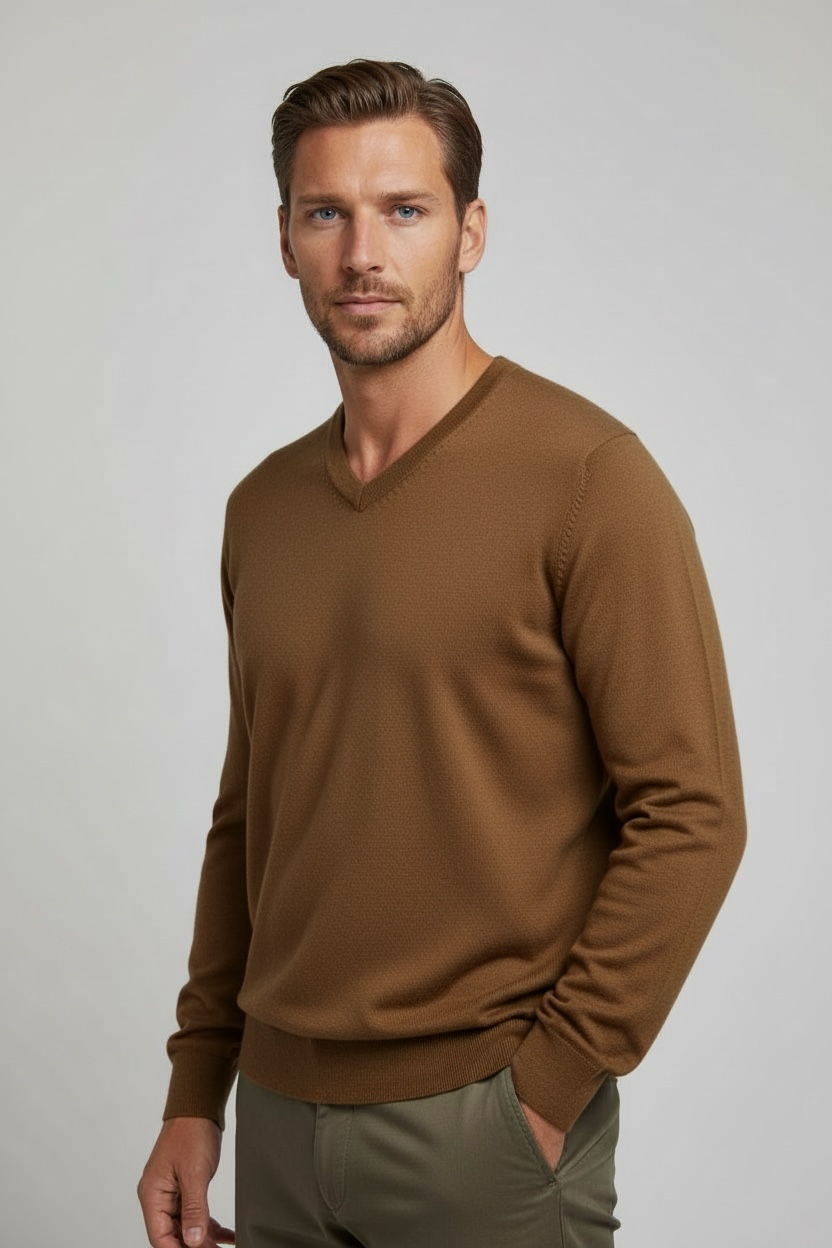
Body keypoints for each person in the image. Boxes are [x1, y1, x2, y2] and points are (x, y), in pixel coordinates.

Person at [138, 58, 746, 1248]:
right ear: (284, 240)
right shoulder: (262, 510)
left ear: (469, 233)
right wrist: (195, 1091)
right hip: (276, 1121)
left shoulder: (588, 480)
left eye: (404, 210)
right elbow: (250, 817)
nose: (363, 253)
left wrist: (545, 1090)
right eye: (327, 213)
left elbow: (692, 811)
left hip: (482, 1129)